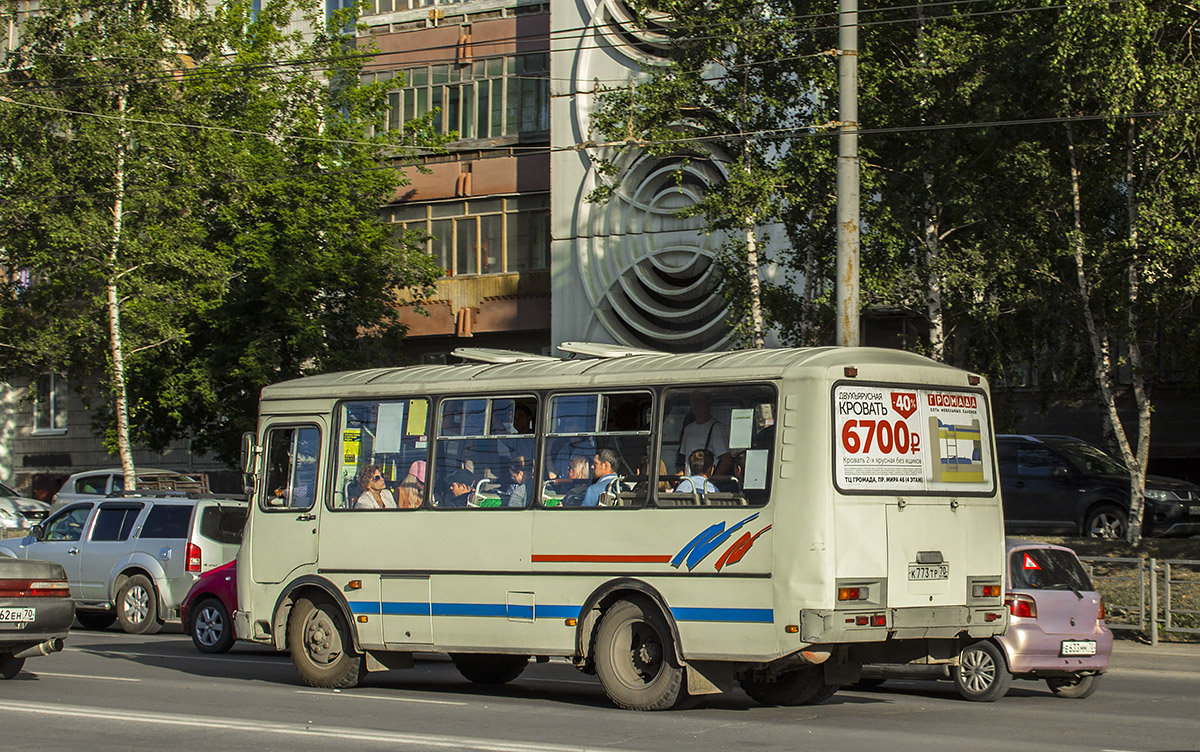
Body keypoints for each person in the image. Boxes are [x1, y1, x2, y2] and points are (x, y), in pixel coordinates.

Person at [679, 390, 732, 476]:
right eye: (693, 401)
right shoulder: (688, 429)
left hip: (705, 484)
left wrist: (712, 482)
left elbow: (726, 460)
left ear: (708, 402)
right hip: (689, 483)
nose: (695, 404)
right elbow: (685, 462)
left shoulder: (716, 428)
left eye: (699, 400)